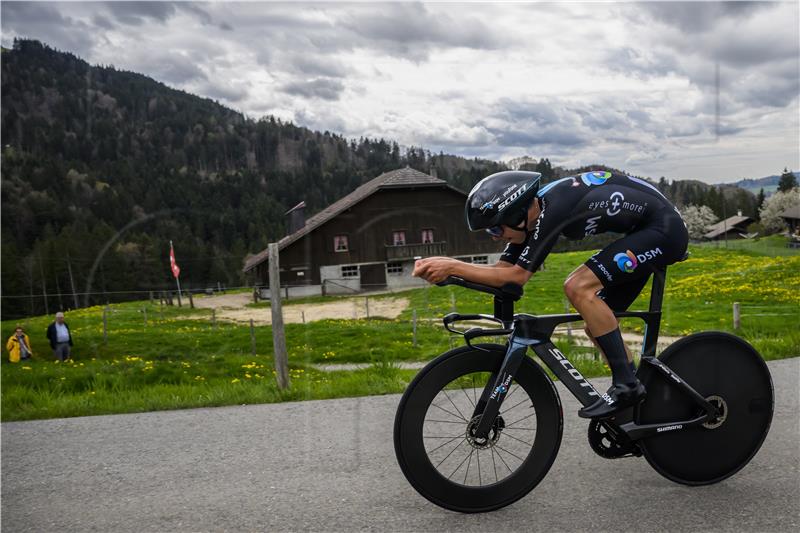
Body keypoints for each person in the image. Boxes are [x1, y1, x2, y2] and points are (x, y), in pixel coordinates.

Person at [413, 170, 688, 419]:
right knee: (597, 326)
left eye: (496, 228)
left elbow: (516, 278)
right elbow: (503, 273)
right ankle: (636, 402)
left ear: (517, 213)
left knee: (578, 286)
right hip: (643, 230)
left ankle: (627, 386)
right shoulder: (532, 215)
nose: (494, 236)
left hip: (663, 230)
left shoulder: (554, 209)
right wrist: (453, 275)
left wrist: (452, 265)